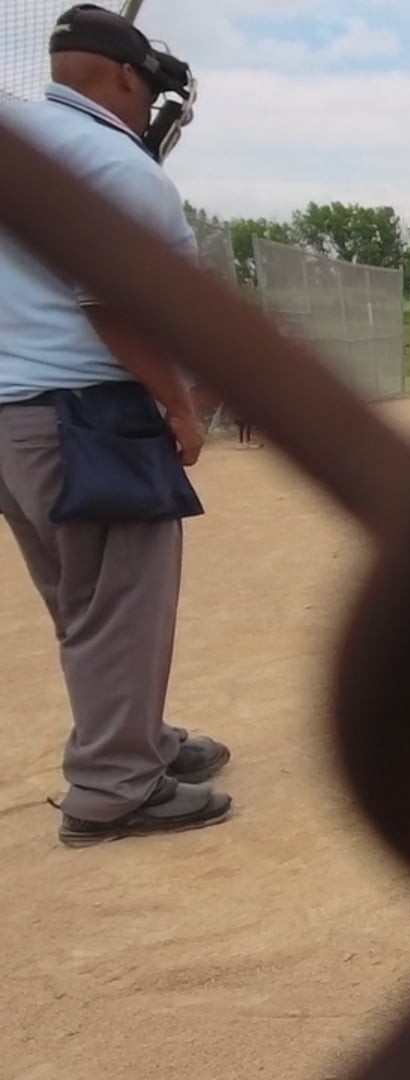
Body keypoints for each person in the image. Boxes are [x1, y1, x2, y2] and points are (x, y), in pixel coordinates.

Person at [0, 4, 232, 846]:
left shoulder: (20, 139)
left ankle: (138, 740)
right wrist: (178, 404)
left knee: (85, 600)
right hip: (86, 412)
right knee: (122, 601)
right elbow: (112, 305)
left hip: (14, 416)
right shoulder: (111, 160)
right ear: (126, 78)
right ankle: (113, 788)